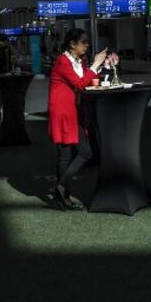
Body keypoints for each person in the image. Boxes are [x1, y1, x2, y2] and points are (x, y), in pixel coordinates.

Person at [47, 29, 108, 211]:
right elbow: (80, 83)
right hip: (63, 111)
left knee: (75, 154)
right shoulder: (62, 61)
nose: (86, 46)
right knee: (72, 155)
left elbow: (86, 80)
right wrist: (95, 64)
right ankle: (62, 194)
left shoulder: (78, 61)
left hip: (71, 110)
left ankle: (60, 191)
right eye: (84, 42)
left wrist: (99, 66)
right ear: (72, 44)